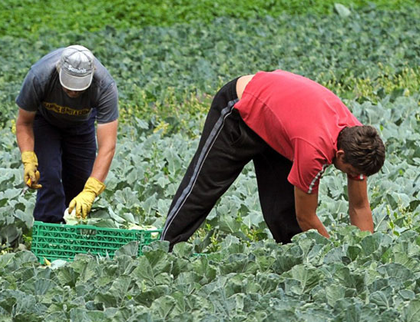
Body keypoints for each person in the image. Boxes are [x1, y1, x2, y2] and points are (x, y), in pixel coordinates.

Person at [161, 70, 385, 247]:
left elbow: (360, 205)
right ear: (341, 154)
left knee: (284, 210)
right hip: (240, 108)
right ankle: (164, 248)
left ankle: (299, 263)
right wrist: (332, 255)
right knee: (204, 187)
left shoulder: (360, 139)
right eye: (348, 171)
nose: (352, 176)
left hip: (281, 124)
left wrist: (364, 254)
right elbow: (307, 216)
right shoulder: (313, 151)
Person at [15, 45, 118, 223]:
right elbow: (24, 122)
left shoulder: (104, 86)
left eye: (79, 87)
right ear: (59, 71)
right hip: (45, 123)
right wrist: (28, 158)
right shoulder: (39, 76)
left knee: (80, 183)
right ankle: (48, 235)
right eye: (69, 86)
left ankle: (73, 236)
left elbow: (107, 146)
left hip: (81, 125)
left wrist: (91, 190)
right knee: (49, 178)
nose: (73, 91)